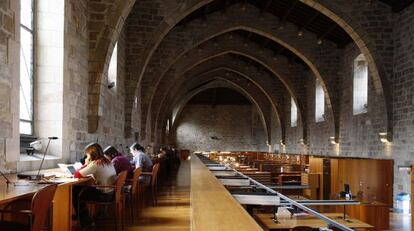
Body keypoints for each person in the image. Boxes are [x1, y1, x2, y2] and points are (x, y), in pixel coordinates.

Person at [72, 143, 117, 228]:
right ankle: (82, 217)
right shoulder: (107, 161)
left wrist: (86, 164)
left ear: (91, 154)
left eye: (87, 155)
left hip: (104, 195)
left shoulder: (96, 163)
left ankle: (85, 220)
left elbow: (76, 174)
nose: (87, 156)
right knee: (81, 189)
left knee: (76, 191)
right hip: (111, 193)